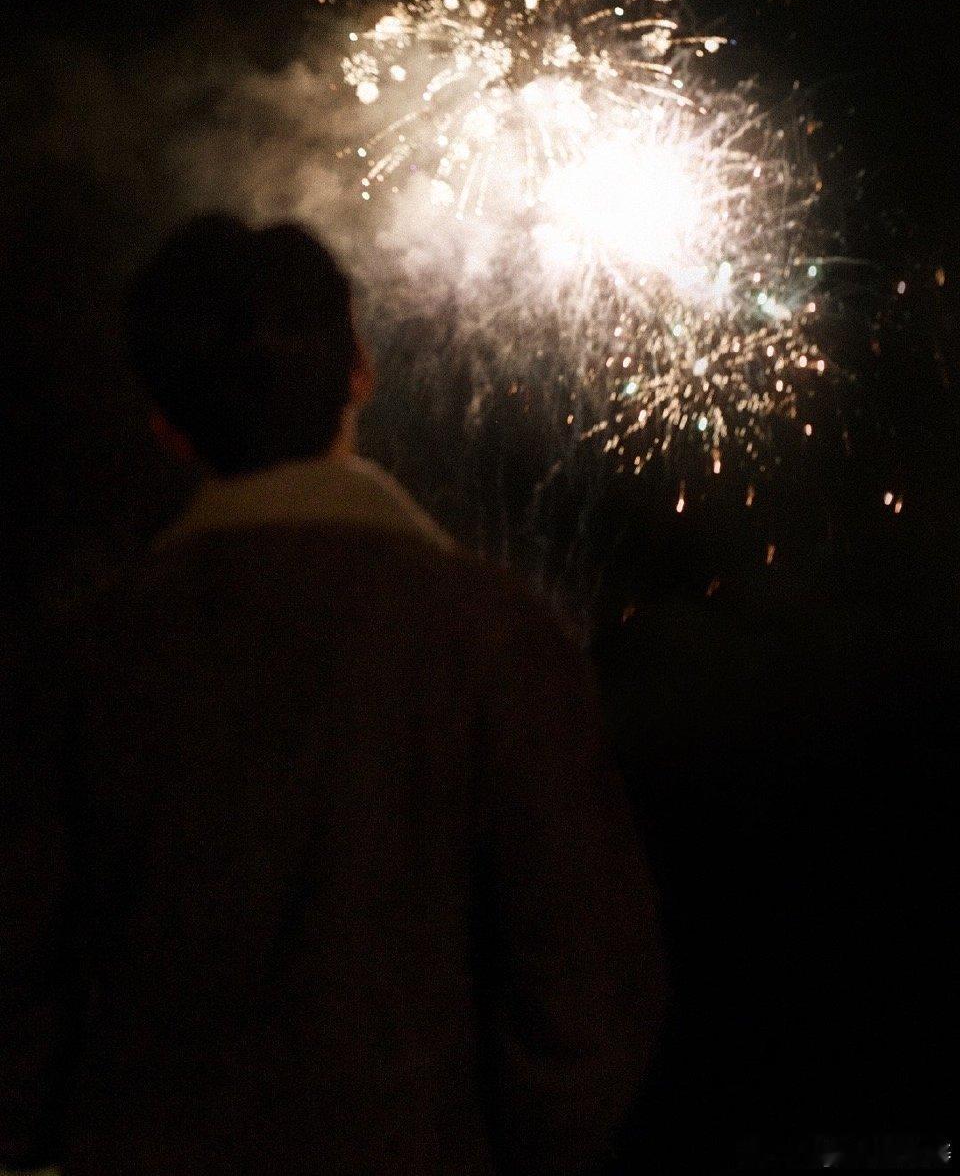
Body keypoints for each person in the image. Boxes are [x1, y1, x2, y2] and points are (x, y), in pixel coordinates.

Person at [0, 213, 666, 1176]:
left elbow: (17, 977)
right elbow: (588, 986)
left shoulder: (83, 659)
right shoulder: (496, 638)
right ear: (360, 368)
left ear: (166, 422)